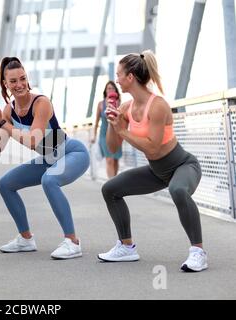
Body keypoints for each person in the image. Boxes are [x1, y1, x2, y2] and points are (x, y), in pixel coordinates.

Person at [98, 50, 207, 272]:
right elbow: (112, 147)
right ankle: (126, 247)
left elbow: (153, 146)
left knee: (178, 190)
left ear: (130, 78)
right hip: (157, 171)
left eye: (119, 75)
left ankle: (198, 253)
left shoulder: (158, 105)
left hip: (183, 165)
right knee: (110, 189)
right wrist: (112, 124)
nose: (116, 80)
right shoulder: (127, 107)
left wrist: (124, 131)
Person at [0, 57, 90, 259]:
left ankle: (73, 242)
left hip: (72, 153)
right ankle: (25, 239)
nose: (19, 84)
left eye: (22, 78)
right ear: (5, 85)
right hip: (49, 159)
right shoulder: (9, 110)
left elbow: (33, 141)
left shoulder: (41, 102)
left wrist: (2, 123)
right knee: (5, 184)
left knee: (49, 180)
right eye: (13, 81)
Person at [91, 81, 123, 178]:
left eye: (112, 88)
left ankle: (115, 182)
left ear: (116, 90)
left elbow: (122, 119)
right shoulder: (100, 104)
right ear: (105, 90)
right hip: (104, 135)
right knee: (109, 160)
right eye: (108, 88)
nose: (110, 90)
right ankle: (111, 183)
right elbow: (96, 121)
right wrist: (94, 136)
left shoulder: (119, 103)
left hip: (117, 134)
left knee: (116, 159)